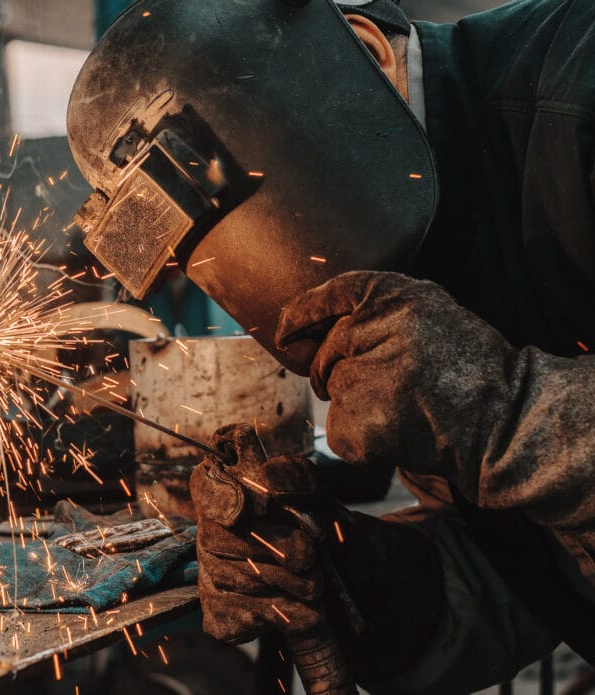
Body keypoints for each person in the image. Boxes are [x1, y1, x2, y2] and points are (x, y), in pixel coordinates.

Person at [66, 0, 595, 692]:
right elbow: (521, 578)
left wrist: (505, 408)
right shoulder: (412, 256)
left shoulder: (579, 89)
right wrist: (349, 573)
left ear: (369, 54)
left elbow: (504, 437)